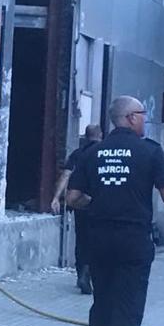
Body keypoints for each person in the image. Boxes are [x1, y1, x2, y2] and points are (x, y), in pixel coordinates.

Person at [66, 96, 164, 326]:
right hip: (133, 243)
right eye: (143, 114)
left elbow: (73, 197)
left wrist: (97, 202)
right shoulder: (150, 152)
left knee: (101, 307)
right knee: (126, 313)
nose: (145, 119)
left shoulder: (93, 152)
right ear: (130, 117)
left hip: (98, 240)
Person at [51, 124, 103, 294]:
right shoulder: (104, 152)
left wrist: (55, 198)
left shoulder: (78, 154)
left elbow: (65, 175)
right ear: (100, 135)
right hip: (100, 204)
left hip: (79, 204)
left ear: (85, 136)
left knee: (81, 240)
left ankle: (81, 272)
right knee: (98, 240)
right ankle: (90, 274)